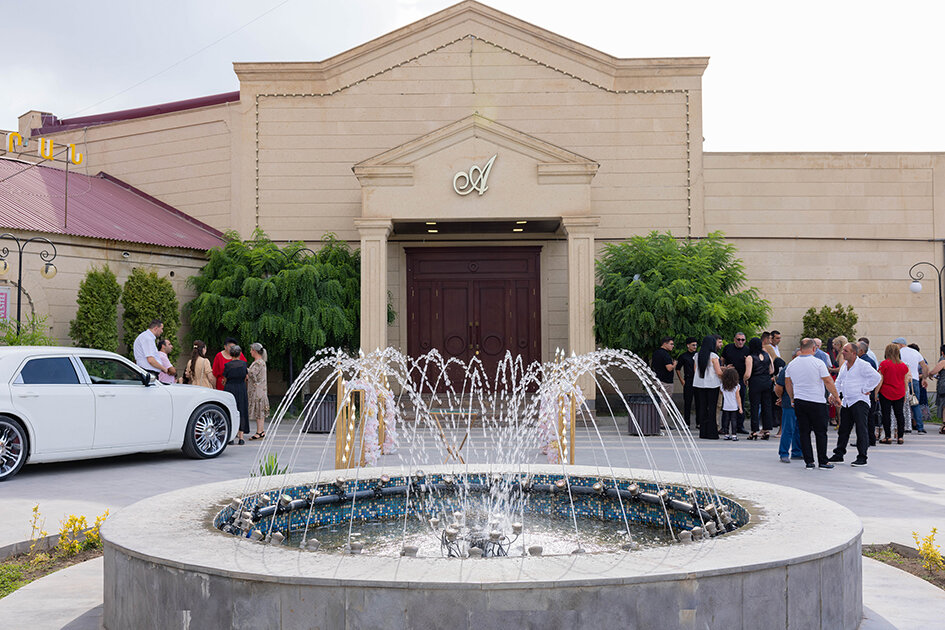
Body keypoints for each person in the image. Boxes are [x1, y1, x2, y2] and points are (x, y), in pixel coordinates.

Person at [784, 337, 841, 469]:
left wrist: (792, 398)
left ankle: (809, 461)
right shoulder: (818, 363)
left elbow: (788, 383)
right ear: (814, 348)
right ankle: (823, 461)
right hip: (817, 401)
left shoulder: (792, 364)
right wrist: (836, 396)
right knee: (821, 432)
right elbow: (828, 381)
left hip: (800, 401)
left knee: (804, 432)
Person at [829, 343, 881, 466]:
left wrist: (865, 388)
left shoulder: (863, 365)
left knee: (861, 429)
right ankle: (839, 453)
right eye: (843, 350)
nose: (843, 352)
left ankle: (862, 456)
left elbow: (876, 377)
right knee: (843, 429)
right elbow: (839, 381)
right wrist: (834, 394)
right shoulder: (844, 366)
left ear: (854, 353)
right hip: (847, 401)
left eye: (846, 351)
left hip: (859, 401)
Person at [877, 343, 910, 444]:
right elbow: (905, 381)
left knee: (886, 414)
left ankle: (888, 437)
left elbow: (880, 379)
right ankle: (900, 437)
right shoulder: (903, 366)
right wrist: (905, 393)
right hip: (899, 392)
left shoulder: (884, 364)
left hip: (886, 392)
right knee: (899, 414)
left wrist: (875, 392)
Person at [775, 349, 804, 463]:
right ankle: (784, 453)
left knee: (798, 428)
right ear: (793, 358)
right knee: (788, 428)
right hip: (789, 403)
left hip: (801, 402)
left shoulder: (804, 369)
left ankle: (797, 452)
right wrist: (782, 398)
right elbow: (779, 387)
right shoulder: (788, 369)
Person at [893, 337, 927, 434]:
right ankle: (920, 427)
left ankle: (903, 427)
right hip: (914, 380)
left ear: (900, 344)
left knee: (901, 405)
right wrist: (924, 378)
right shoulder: (915, 352)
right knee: (915, 404)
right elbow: (924, 366)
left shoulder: (898, 353)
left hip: (901, 380)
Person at [693, 335, 723, 440]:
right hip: (712, 384)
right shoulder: (713, 356)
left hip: (699, 384)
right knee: (712, 408)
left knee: (702, 407)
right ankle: (712, 433)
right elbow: (718, 372)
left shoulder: (697, 355)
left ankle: (703, 432)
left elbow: (695, 370)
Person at [744, 337, 774, 440]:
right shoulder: (767, 355)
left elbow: (748, 373)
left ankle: (754, 431)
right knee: (767, 405)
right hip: (767, 381)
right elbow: (771, 370)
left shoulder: (750, 357)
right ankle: (766, 430)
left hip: (755, 382)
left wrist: (745, 379)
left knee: (755, 406)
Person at [720, 332, 750, 433]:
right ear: (734, 339)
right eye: (738, 339)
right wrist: (725, 368)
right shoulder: (728, 348)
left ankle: (740, 426)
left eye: (743, 340)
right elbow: (721, 361)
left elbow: (750, 364)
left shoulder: (747, 350)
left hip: (741, 379)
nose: (740, 341)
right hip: (728, 379)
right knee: (726, 402)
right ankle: (725, 427)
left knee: (740, 401)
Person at [222, 345, 249, 444]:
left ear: (230, 354)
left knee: (231, 411)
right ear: (240, 353)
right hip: (241, 388)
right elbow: (246, 377)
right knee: (241, 410)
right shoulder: (244, 364)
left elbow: (224, 379)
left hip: (230, 388)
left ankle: (232, 437)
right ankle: (241, 437)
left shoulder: (227, 365)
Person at [247, 343, 270, 440]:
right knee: (260, 411)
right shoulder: (260, 362)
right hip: (260, 390)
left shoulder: (258, 363)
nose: (250, 352)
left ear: (255, 351)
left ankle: (259, 431)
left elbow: (253, 374)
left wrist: (244, 369)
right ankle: (261, 431)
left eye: (251, 350)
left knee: (259, 411)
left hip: (258, 391)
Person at [675, 337, 698, 427]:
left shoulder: (698, 355)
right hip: (688, 380)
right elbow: (677, 369)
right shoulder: (683, 356)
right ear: (688, 345)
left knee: (699, 401)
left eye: (696, 345)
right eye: (693, 345)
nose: (695, 347)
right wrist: (681, 380)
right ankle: (686, 422)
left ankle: (699, 422)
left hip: (698, 380)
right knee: (687, 402)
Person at [719, 366, 742, 441]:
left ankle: (726, 434)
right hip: (734, 406)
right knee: (734, 421)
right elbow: (738, 397)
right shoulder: (736, 386)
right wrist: (740, 407)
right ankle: (734, 435)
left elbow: (722, 393)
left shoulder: (722, 386)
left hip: (726, 406)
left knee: (726, 421)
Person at [927, 344, 945, 434]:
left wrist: (930, 374)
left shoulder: (943, 362)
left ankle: (944, 426)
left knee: (944, 405)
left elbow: (934, 371)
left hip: (944, 386)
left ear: (942, 353)